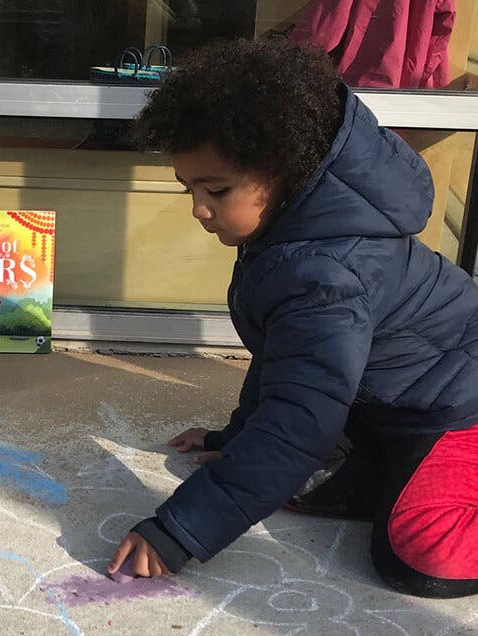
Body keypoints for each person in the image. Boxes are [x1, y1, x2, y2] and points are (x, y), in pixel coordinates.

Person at [109, 39, 478, 598]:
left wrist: (178, 531)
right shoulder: (294, 230)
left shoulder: (328, 272)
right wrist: (235, 438)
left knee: (421, 553)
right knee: (307, 483)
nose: (198, 208)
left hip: (458, 406)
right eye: (189, 187)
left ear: (284, 168)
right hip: (403, 398)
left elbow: (300, 420)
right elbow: (289, 364)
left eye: (217, 189)